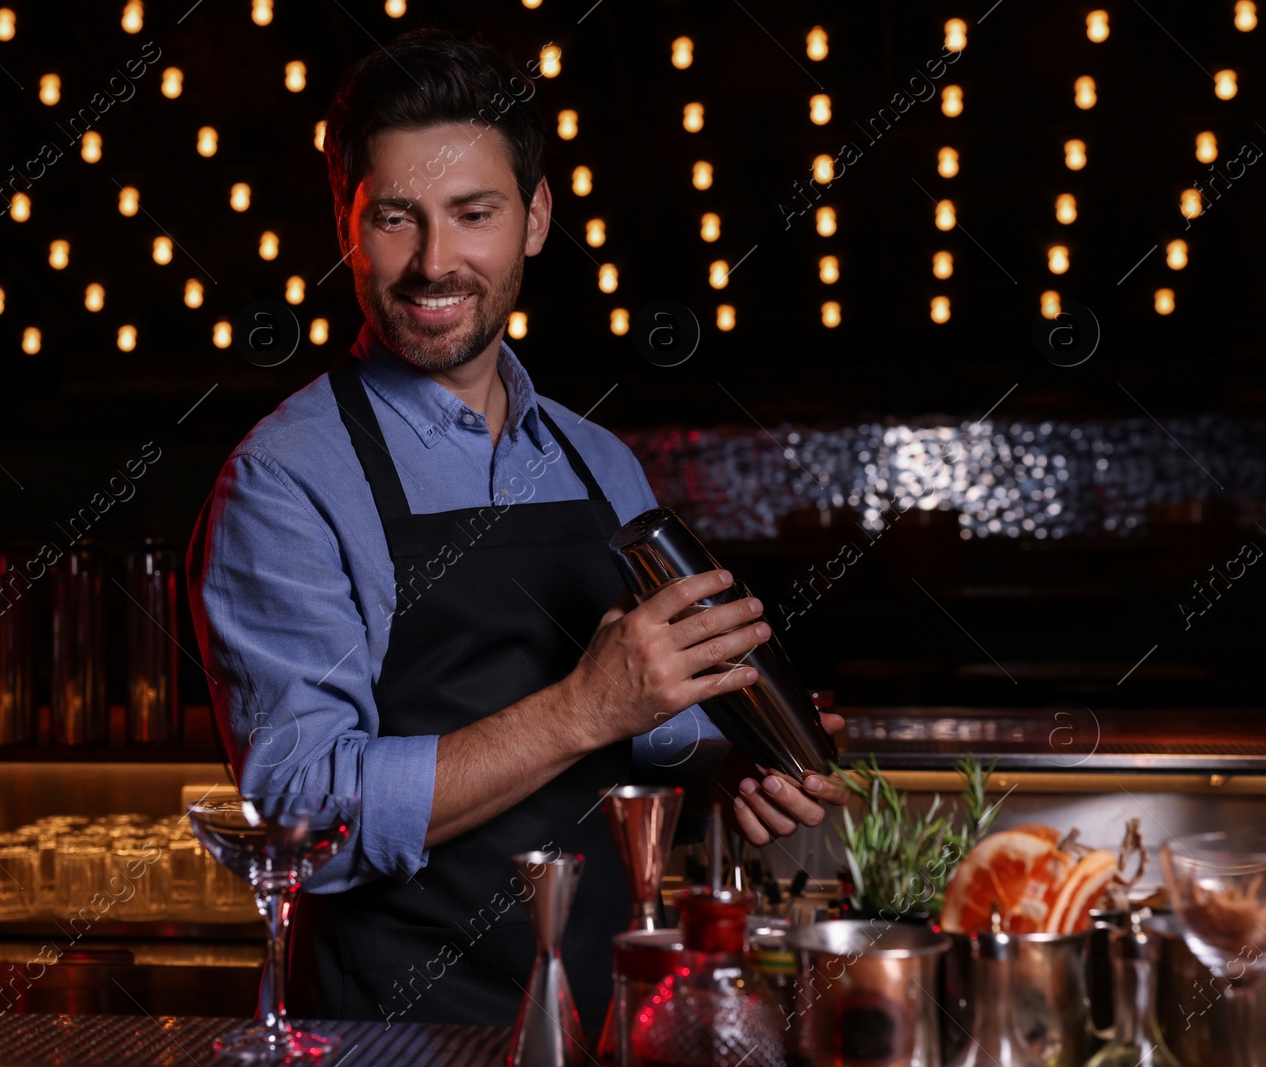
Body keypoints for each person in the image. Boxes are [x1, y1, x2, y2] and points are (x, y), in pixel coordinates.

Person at [186, 26, 847, 1034]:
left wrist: (727, 763)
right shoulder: (284, 480)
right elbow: (302, 814)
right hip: (388, 1033)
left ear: (534, 219)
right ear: (344, 223)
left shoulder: (596, 460)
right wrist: (579, 708)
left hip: (605, 1013)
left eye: (473, 213)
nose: (434, 261)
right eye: (396, 217)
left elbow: (653, 721)